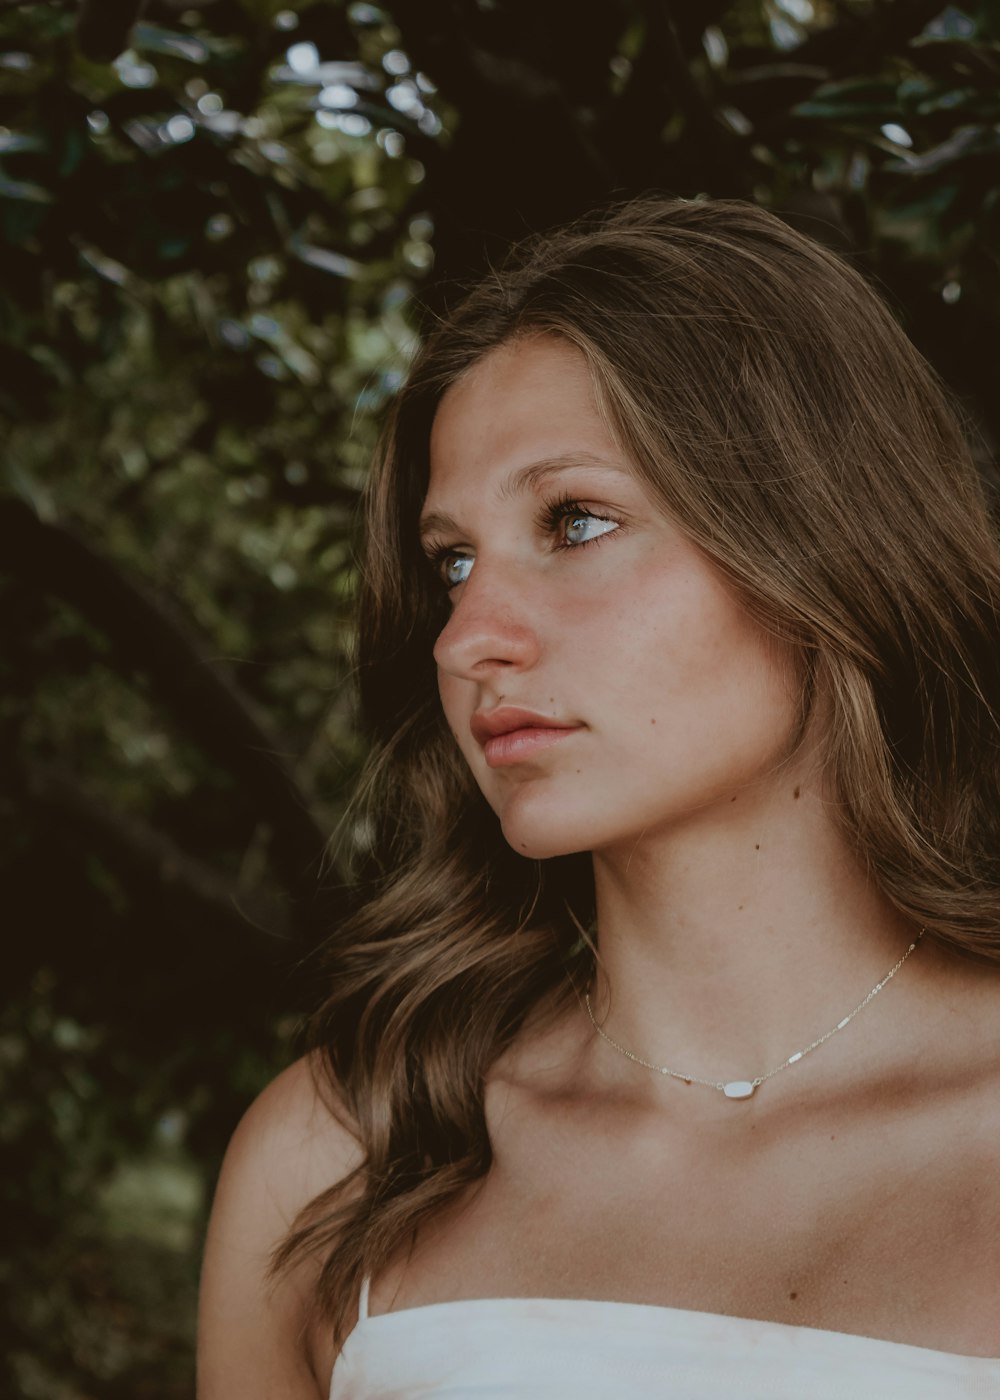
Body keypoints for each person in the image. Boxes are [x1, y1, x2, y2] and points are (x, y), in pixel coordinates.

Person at [196, 197, 1000, 1398]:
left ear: (821, 542)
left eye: (573, 520)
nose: (469, 635)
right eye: (451, 561)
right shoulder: (342, 1154)